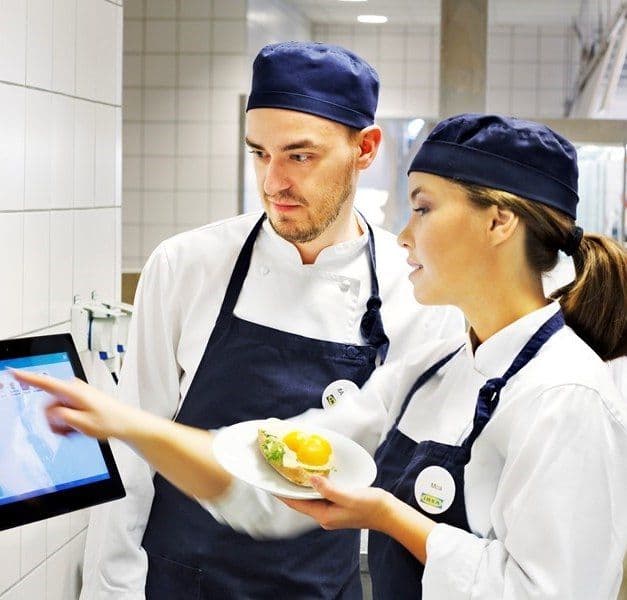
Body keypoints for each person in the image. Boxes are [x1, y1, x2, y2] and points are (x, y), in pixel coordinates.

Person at [70, 41, 463, 600]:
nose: (273, 181)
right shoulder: (187, 265)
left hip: (322, 588)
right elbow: (133, 456)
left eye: (299, 156)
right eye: (259, 153)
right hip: (180, 586)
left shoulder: (414, 292)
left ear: (366, 148)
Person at [276, 114, 627, 599]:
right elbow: (321, 442)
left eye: (422, 208)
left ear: (498, 221)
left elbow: (551, 592)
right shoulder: (435, 366)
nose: (403, 235)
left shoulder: (566, 395)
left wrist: (389, 517)